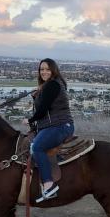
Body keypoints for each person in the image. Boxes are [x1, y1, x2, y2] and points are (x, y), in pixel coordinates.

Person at [25, 58, 75, 203]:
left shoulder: (52, 84)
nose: (44, 72)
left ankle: (48, 185)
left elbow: (42, 110)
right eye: (42, 69)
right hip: (53, 125)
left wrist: (29, 120)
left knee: (37, 147)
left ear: (53, 70)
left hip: (59, 126)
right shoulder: (49, 85)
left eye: (47, 69)